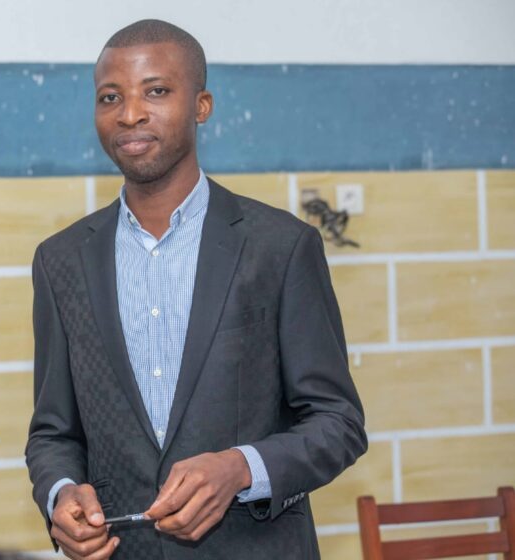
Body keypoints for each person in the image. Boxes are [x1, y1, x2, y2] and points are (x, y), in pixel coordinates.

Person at [25, 19, 367, 560]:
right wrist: (61, 494)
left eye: (156, 91)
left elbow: (338, 423)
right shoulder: (60, 260)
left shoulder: (280, 246)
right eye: (110, 97)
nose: (130, 113)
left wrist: (240, 468)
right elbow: (53, 432)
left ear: (202, 105)